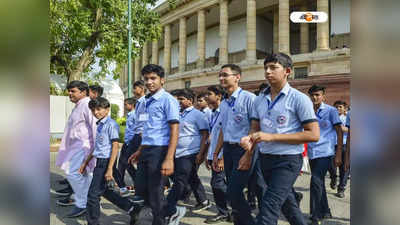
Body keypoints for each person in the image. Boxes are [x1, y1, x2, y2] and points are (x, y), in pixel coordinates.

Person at [240, 53, 319, 225]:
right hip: (265, 159)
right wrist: (248, 147)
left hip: (288, 160)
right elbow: (255, 128)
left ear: (287, 71)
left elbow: (313, 134)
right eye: (266, 68)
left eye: (273, 67)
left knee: (269, 207)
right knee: (288, 205)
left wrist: (271, 137)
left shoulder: (299, 99)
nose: (268, 72)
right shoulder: (260, 99)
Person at [128, 64, 180, 225]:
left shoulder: (168, 100)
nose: (149, 82)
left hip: (160, 149)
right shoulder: (145, 102)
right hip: (146, 149)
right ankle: (172, 210)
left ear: (162, 80)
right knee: (141, 188)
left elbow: (174, 130)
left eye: (153, 78)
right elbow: (147, 130)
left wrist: (169, 158)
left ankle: (160, 220)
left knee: (156, 190)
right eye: (146, 79)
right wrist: (139, 150)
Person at [82, 97, 141, 225]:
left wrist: (109, 169)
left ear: (107, 110)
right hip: (101, 161)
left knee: (92, 195)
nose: (96, 112)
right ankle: (132, 208)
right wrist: (86, 162)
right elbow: (98, 147)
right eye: (93, 110)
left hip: (106, 162)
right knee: (104, 191)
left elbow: (115, 146)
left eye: (99, 109)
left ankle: (92, 222)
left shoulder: (111, 124)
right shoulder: (100, 125)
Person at [212, 64, 257, 225]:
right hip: (229, 149)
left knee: (234, 191)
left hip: (245, 149)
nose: (221, 78)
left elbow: (255, 127)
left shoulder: (249, 99)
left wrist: (249, 153)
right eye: (220, 75)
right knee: (234, 191)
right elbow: (224, 130)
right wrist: (217, 153)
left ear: (237, 77)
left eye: (225, 75)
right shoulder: (224, 103)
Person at [164, 88, 211, 225]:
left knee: (180, 180)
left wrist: (201, 153)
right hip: (177, 152)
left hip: (191, 152)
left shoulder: (198, 115)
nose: (178, 102)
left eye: (181, 99)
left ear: (190, 100)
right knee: (191, 177)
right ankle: (203, 200)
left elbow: (204, 135)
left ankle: (169, 207)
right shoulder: (178, 114)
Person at [55, 81, 97, 217]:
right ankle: (86, 201)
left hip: (84, 146)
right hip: (76, 146)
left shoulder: (87, 105)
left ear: (83, 92)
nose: (69, 94)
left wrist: (95, 150)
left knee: (72, 173)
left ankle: (82, 203)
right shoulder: (79, 105)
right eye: (69, 91)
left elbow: (95, 127)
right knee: (84, 175)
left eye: (73, 91)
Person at [307, 84, 343, 225]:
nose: (315, 97)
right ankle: (326, 210)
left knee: (315, 181)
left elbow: (339, 131)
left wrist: (339, 152)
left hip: (326, 152)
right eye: (313, 95)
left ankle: (315, 215)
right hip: (312, 152)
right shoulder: (308, 110)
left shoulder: (331, 111)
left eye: (318, 95)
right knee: (319, 182)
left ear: (323, 96)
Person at [202, 85, 232, 224]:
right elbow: (213, 137)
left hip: (223, 155)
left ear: (219, 96)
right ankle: (228, 211)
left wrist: (221, 158)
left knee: (218, 184)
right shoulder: (213, 113)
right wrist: (209, 156)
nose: (206, 97)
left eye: (209, 94)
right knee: (219, 184)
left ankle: (227, 211)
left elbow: (227, 134)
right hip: (214, 154)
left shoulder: (225, 110)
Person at [115, 97, 137, 197]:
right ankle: (120, 183)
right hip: (127, 142)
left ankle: (137, 182)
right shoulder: (129, 115)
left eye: (126, 104)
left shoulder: (134, 115)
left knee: (126, 163)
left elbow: (136, 130)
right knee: (122, 163)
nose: (125, 106)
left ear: (131, 105)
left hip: (132, 142)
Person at [329, 100, 350, 198]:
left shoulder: (347, 118)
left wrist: (340, 127)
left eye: (340, 107)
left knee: (344, 169)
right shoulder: (329, 117)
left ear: (345, 108)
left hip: (344, 146)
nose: (338, 109)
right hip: (332, 145)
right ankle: (333, 178)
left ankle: (341, 189)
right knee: (331, 166)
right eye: (336, 107)